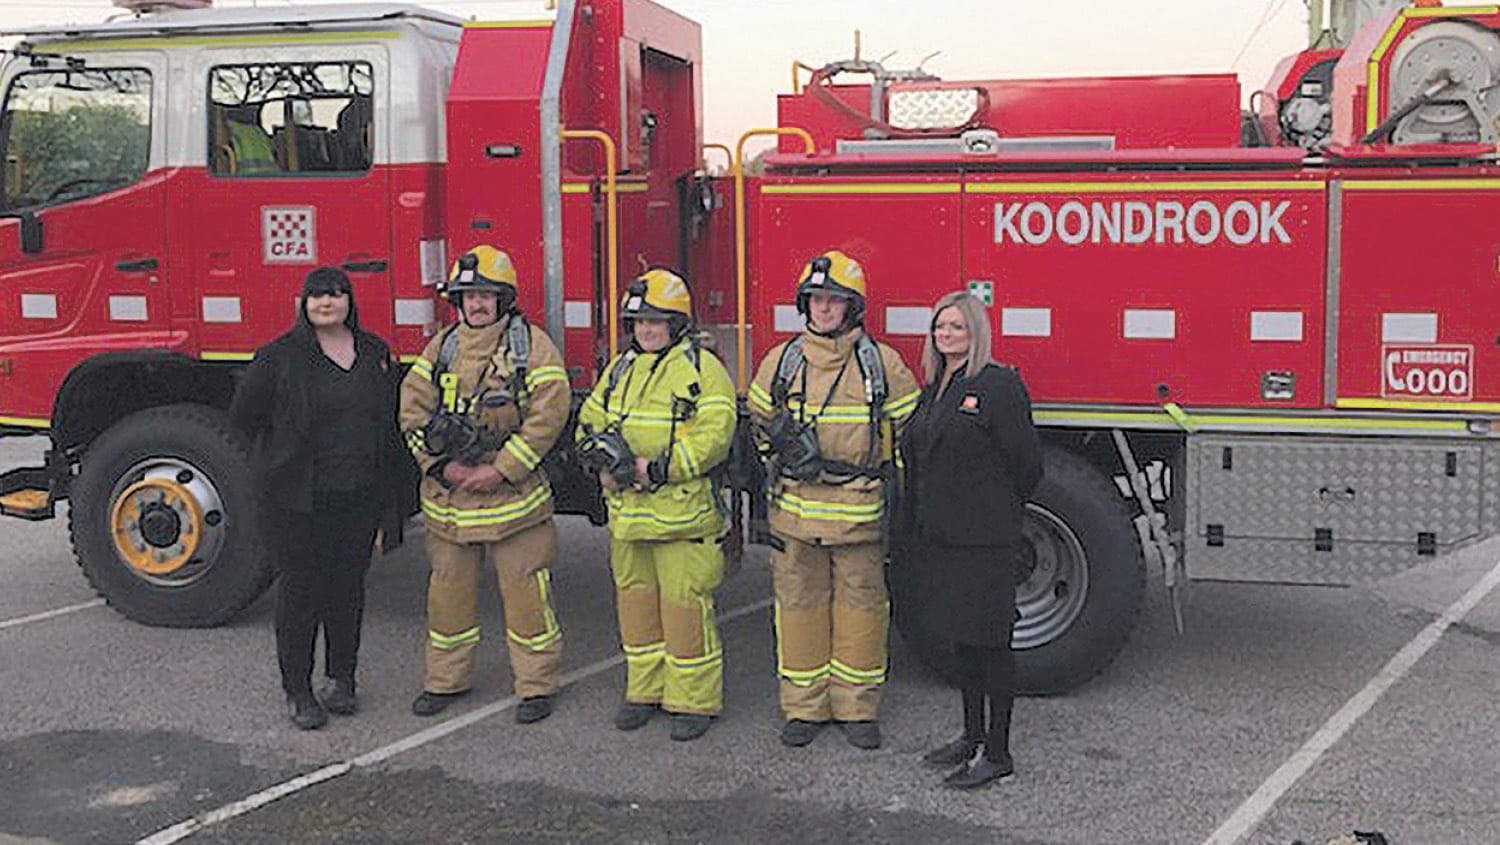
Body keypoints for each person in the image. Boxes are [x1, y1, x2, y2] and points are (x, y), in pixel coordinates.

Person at [747, 250, 920, 750]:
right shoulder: (783, 362)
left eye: (835, 301)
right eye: (817, 300)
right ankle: (803, 708)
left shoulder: (880, 363)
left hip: (858, 510)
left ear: (852, 308)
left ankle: (857, 709)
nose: (824, 309)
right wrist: (778, 451)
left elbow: (911, 433)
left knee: (861, 608)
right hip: (795, 510)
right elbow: (757, 424)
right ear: (806, 305)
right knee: (798, 607)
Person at [229, 266, 407, 730]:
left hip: (359, 496)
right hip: (297, 503)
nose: (326, 303)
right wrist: (274, 468)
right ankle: (299, 691)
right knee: (301, 593)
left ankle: (342, 680)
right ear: (302, 304)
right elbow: (243, 419)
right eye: (317, 296)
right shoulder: (278, 358)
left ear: (350, 301)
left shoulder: (374, 353)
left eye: (335, 294)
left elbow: (389, 423)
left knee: (347, 590)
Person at [399, 245, 571, 724]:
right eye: (468, 296)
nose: (476, 304)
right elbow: (412, 412)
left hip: (514, 501)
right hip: (451, 501)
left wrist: (501, 469)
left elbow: (549, 413)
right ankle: (445, 681)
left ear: (504, 299)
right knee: (447, 597)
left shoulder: (530, 346)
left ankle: (537, 686)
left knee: (527, 596)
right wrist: (440, 466)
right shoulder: (442, 347)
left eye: (486, 296)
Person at [576, 269, 736, 742]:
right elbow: (591, 417)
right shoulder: (621, 368)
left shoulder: (702, 368)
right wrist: (598, 461)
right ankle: (643, 692)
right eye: (639, 321)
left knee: (685, 611)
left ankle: (693, 701)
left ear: (678, 324)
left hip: (682, 517)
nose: (646, 329)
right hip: (629, 516)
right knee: (637, 609)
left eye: (656, 321)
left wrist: (658, 468)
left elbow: (715, 432)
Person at [899, 290, 1043, 788]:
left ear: (976, 332)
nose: (947, 334)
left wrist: (996, 511)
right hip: (943, 538)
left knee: (992, 645)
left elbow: (1027, 464)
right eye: (941, 326)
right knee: (963, 643)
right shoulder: (936, 386)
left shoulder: (998, 385)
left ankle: (997, 752)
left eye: (957, 327)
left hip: (986, 539)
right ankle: (970, 736)